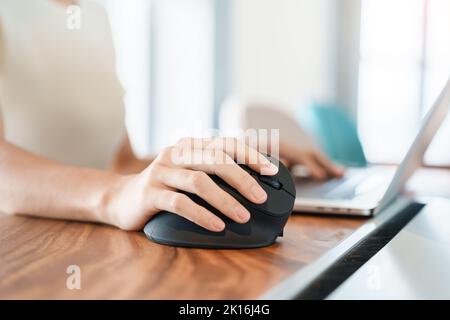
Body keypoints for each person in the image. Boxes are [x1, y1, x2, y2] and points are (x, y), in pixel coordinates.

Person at [0, 0, 342, 232]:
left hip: (94, 244)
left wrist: (223, 160)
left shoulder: (93, 13)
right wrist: (114, 196)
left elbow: (122, 162)